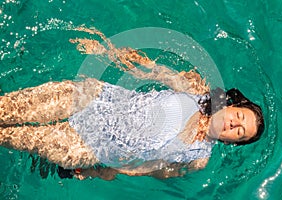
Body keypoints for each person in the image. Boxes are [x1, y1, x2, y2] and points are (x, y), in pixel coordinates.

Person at [0, 27, 264, 180]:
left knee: (6, 135)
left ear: (231, 142)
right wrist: (107, 51)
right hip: (93, 99)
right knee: (5, 109)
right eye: (239, 116)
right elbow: (150, 70)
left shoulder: (197, 159)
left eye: (240, 132)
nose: (233, 123)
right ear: (231, 105)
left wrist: (101, 170)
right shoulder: (197, 89)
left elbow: (151, 170)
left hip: (87, 146)